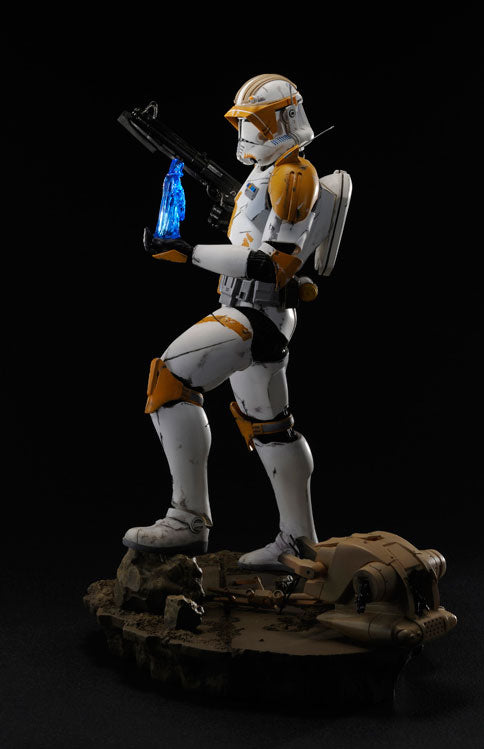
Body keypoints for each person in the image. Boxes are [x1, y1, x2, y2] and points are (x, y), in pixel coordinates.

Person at [122, 73, 351, 572]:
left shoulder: (294, 176)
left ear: (285, 120)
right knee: (271, 428)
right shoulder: (269, 171)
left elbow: (274, 264)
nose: (248, 132)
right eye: (243, 122)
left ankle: (187, 520)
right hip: (260, 312)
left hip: (254, 314)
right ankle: (299, 542)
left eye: (258, 122)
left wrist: (189, 252)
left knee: (170, 382)